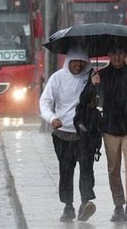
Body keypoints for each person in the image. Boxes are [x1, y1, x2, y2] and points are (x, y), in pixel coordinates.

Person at [85, 47, 127, 222]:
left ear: (126, 55)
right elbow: (89, 100)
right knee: (113, 168)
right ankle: (118, 205)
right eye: (113, 53)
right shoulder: (101, 75)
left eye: (120, 53)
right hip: (109, 128)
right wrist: (93, 84)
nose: (116, 57)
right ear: (108, 55)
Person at [39, 47, 97, 222]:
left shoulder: (92, 78)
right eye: (75, 61)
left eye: (82, 62)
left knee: (86, 169)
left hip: (85, 134)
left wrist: (96, 87)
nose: (79, 65)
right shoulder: (57, 78)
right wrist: (52, 118)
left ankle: (85, 203)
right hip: (63, 134)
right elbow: (45, 102)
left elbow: (101, 101)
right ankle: (68, 206)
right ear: (68, 61)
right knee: (66, 171)